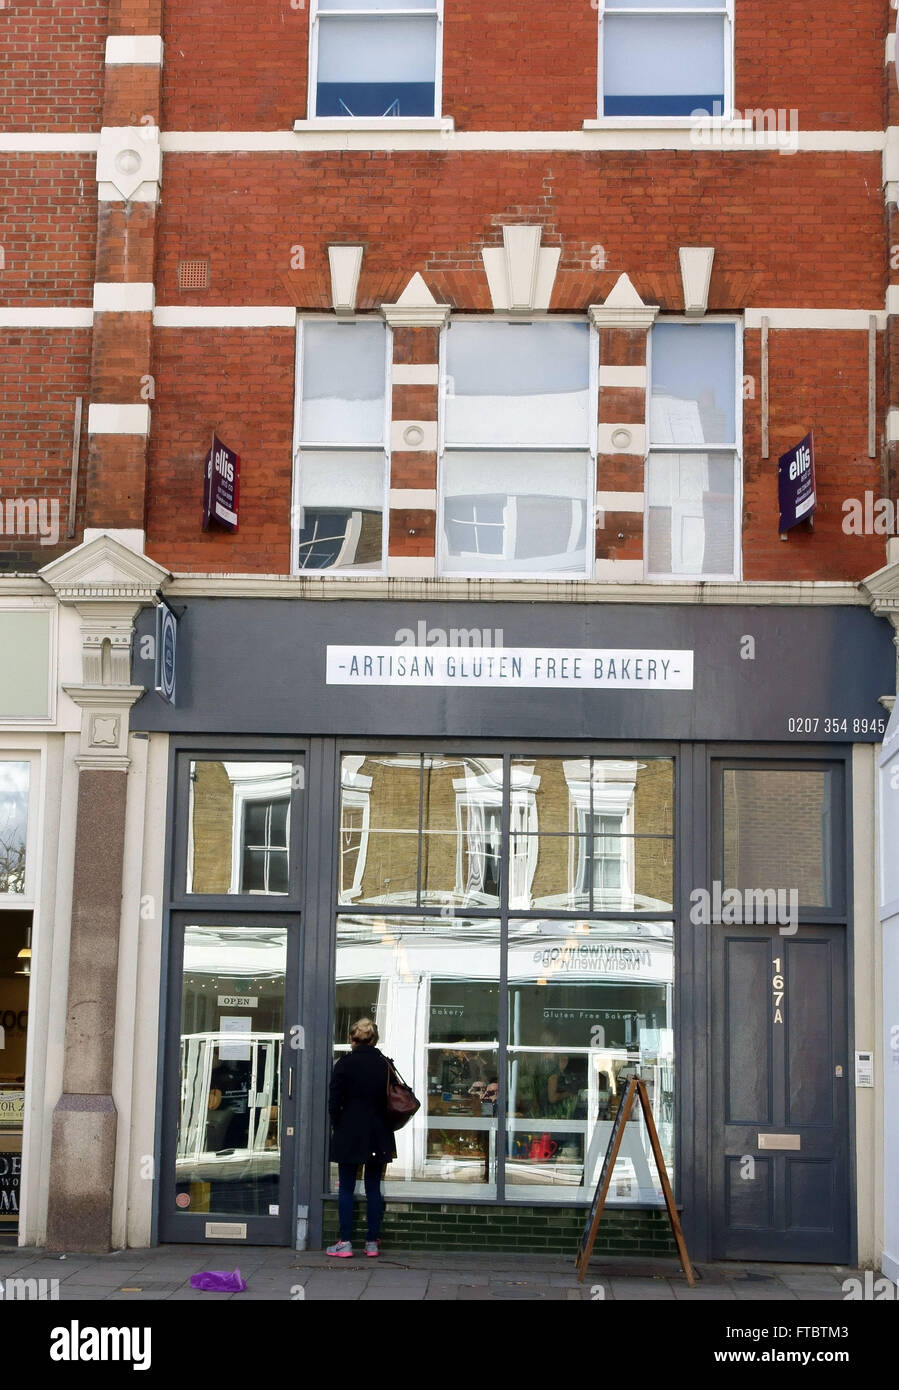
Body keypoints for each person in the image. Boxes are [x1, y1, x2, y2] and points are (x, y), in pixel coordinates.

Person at [327, 1017, 396, 1258]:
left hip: (350, 1132)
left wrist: (339, 1125)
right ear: (374, 1039)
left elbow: (333, 1103)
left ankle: (344, 1242)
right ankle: (371, 1243)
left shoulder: (344, 1064)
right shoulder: (385, 1064)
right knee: (373, 1188)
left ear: (351, 1039)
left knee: (346, 1188)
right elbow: (394, 1099)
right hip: (379, 1133)